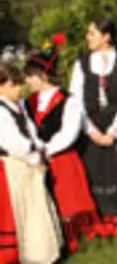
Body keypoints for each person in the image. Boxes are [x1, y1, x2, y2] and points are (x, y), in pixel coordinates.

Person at [69, 18, 117, 237]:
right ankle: (96, 222)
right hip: (89, 124)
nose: (88, 38)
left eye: (92, 33)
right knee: (93, 170)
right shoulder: (81, 64)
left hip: (116, 125)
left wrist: (113, 131)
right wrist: (91, 131)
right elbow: (75, 100)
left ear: (107, 36)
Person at [23, 33, 99, 255]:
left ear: (43, 75)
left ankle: (74, 239)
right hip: (39, 157)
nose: (28, 82)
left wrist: (48, 149)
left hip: (62, 158)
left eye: (31, 76)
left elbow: (69, 132)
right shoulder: (29, 102)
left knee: (67, 199)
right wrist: (36, 148)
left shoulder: (69, 100)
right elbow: (28, 127)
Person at [0, 62, 63, 264]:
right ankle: (28, 254)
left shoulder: (18, 105)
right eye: (14, 85)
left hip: (29, 164)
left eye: (20, 84)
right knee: (23, 211)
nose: (19, 89)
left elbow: (30, 131)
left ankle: (43, 254)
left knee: (38, 207)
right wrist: (34, 157)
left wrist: (40, 148)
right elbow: (12, 142)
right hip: (12, 166)